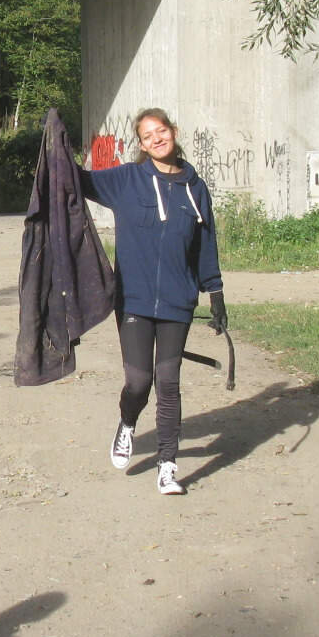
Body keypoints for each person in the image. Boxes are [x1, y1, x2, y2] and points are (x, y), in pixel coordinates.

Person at [81, 108, 228, 495]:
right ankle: (128, 423)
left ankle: (167, 465)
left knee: (168, 381)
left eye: (160, 131)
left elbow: (205, 244)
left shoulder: (195, 187)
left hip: (179, 300)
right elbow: (76, 182)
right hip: (134, 299)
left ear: (173, 132)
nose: (156, 139)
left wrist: (215, 293)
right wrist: (56, 145)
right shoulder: (128, 180)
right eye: (148, 136)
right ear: (142, 145)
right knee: (139, 380)